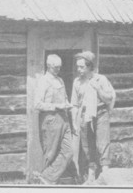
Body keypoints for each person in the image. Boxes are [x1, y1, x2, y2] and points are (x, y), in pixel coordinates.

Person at [71, 51, 116, 183]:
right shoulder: (77, 82)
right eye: (77, 67)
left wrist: (98, 89)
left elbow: (109, 98)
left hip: (100, 113)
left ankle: (106, 175)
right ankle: (91, 176)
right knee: (87, 145)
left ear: (89, 66)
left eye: (82, 67)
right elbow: (74, 104)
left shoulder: (100, 79)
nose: (79, 70)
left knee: (102, 144)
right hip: (84, 115)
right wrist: (74, 121)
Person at [33, 54, 73, 184]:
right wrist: (56, 106)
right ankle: (45, 182)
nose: (58, 70)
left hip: (64, 119)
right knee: (50, 154)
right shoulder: (43, 81)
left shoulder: (60, 80)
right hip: (50, 119)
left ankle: (47, 177)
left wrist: (68, 104)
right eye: (56, 67)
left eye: (60, 67)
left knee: (69, 151)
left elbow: (65, 98)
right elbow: (37, 104)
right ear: (49, 66)